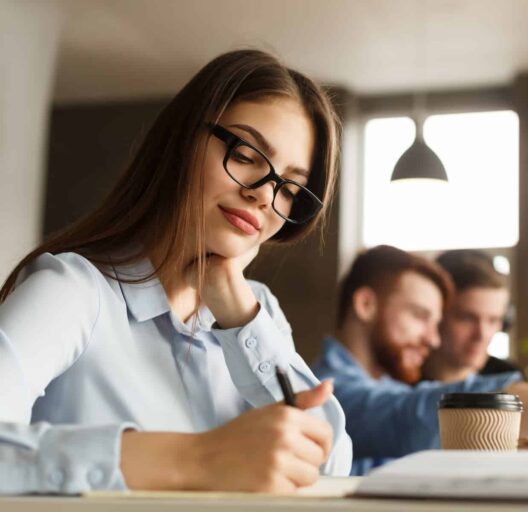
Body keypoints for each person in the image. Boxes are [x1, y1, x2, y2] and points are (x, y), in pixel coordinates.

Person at [0, 49, 351, 494]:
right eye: (245, 154)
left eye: (291, 188)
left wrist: (241, 314)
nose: (265, 196)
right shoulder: (73, 291)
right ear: (183, 142)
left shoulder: (256, 313)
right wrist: (197, 459)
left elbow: (331, 467)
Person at [311, 245, 525, 475]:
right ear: (366, 305)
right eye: (420, 315)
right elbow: (408, 414)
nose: (433, 340)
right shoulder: (326, 394)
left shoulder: (389, 386)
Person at [421, 249, 521, 383]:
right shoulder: (393, 386)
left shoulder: (509, 376)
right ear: (435, 317)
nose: (482, 335)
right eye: (467, 319)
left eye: (493, 320)